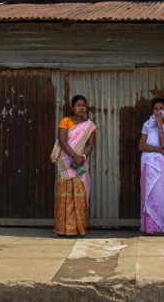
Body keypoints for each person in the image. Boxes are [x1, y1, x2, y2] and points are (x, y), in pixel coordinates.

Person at [52, 95, 97, 237]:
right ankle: (62, 229)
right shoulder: (65, 121)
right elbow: (62, 140)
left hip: (80, 163)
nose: (81, 108)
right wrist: (74, 156)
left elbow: (91, 144)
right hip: (66, 162)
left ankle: (79, 229)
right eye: (78, 105)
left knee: (80, 196)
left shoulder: (90, 126)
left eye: (84, 105)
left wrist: (82, 157)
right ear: (73, 107)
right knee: (64, 196)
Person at [138, 98, 164, 235]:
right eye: (155, 109)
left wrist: (160, 125)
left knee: (163, 194)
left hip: (163, 166)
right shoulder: (147, 125)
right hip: (148, 164)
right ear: (152, 110)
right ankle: (149, 227)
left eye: (161, 109)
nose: (158, 111)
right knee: (148, 195)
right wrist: (159, 151)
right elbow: (141, 146)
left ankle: (162, 227)